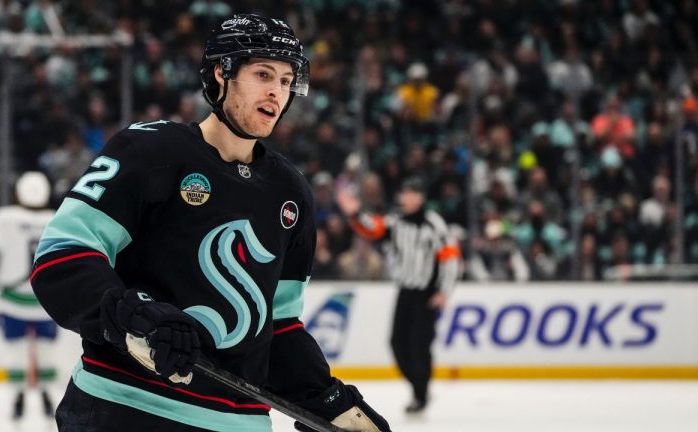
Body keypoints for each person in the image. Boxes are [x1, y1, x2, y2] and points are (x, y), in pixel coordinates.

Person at [30, 14, 391, 432]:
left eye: (287, 80)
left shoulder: (291, 193)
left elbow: (278, 327)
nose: (277, 91)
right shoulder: (150, 150)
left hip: (239, 424)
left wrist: (327, 400)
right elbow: (62, 257)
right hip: (124, 409)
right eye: (263, 74)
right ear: (221, 73)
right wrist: (134, 317)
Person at [337, 175, 460, 415]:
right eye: (405, 193)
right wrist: (354, 213)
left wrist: (444, 292)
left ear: (421, 198)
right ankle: (418, 387)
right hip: (405, 291)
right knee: (397, 343)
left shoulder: (434, 224)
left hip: (426, 293)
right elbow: (374, 228)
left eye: (413, 193)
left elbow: (450, 259)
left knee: (419, 346)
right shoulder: (397, 222)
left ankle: (420, 394)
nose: (408, 198)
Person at [0, 171, 59, 422]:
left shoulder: (5, 217)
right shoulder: (55, 218)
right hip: (47, 302)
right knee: (47, 355)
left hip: (11, 301)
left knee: (14, 354)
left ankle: (18, 401)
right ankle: (46, 399)